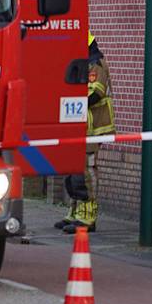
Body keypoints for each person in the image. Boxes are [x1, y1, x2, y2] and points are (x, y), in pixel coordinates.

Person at [58, 33, 115, 235]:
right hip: (78, 127)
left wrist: (70, 99)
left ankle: (88, 217)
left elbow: (95, 92)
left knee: (87, 172)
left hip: (92, 128)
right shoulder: (81, 62)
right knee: (74, 170)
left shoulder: (95, 64)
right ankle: (74, 212)